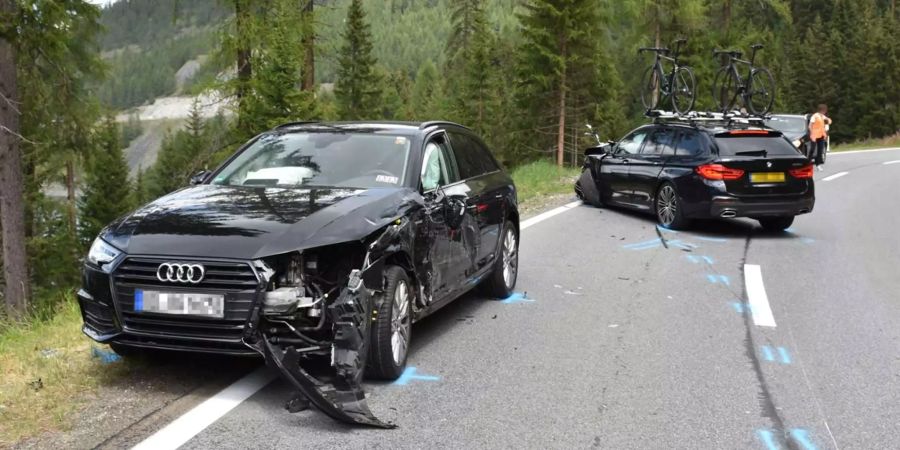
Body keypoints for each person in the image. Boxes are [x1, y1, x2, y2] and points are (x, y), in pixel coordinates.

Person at [808, 104, 832, 171]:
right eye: (824, 110)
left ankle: (818, 164)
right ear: (821, 110)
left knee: (820, 150)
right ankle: (808, 163)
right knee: (812, 149)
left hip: (821, 135)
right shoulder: (815, 116)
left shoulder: (823, 116)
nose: (825, 111)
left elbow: (828, 122)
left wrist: (828, 121)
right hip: (814, 135)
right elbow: (810, 126)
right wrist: (812, 133)